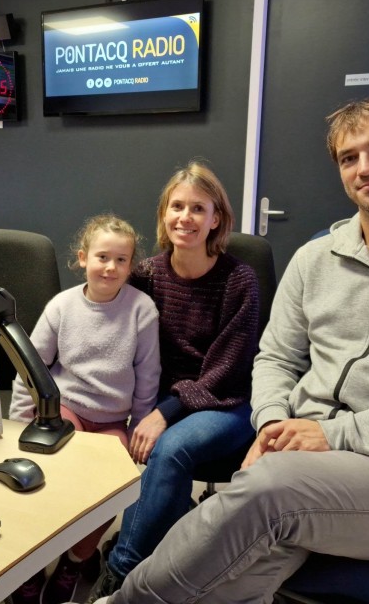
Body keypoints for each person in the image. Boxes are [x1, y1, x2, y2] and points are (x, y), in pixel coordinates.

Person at [84, 95, 369, 603]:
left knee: (262, 497)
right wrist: (272, 423)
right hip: (298, 458)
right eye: (349, 157)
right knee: (225, 572)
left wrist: (331, 435)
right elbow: (277, 357)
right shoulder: (315, 258)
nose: (365, 167)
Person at [87, 161, 261, 602]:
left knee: (170, 449)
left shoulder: (239, 279)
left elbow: (225, 370)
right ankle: (164, 547)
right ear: (164, 213)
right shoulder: (146, 274)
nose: (186, 217)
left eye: (198, 208)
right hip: (162, 397)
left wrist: (163, 413)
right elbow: (108, 328)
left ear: (216, 219)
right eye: (177, 206)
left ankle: (120, 574)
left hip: (225, 402)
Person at [8, 213, 161, 604]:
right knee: (54, 471)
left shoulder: (142, 309)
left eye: (121, 260)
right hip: (66, 407)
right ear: (82, 258)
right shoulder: (62, 306)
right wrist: (21, 418)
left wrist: (139, 426)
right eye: (102, 257)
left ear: (131, 265)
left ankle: (75, 560)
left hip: (112, 419)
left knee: (113, 484)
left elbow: (148, 376)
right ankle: (27, 567)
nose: (110, 267)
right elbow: (32, 365)